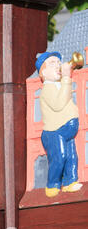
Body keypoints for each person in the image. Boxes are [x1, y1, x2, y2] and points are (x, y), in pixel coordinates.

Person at [37, 51, 83, 198]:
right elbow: (59, 104)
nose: (57, 66)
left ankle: (70, 181)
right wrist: (66, 78)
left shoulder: (59, 85)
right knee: (60, 157)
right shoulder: (47, 89)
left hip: (66, 130)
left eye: (58, 62)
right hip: (54, 132)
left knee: (72, 157)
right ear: (42, 73)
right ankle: (52, 185)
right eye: (52, 63)